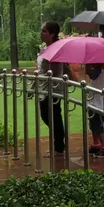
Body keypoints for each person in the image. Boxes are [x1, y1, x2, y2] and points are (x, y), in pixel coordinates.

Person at [36, 21, 66, 156]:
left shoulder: (56, 50)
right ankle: (58, 142)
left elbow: (53, 71)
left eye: (44, 31)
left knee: (53, 116)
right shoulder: (46, 48)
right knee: (45, 115)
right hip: (43, 87)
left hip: (53, 88)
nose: (41, 33)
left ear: (52, 34)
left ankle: (59, 146)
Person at [85, 63, 104, 156]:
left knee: (99, 126)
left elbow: (90, 74)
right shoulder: (102, 72)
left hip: (96, 104)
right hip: (96, 103)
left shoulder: (97, 72)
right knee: (94, 125)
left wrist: (86, 67)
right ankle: (97, 143)